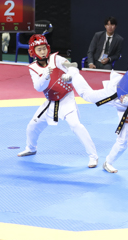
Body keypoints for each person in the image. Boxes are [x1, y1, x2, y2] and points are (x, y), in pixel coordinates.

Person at [18, 35, 112, 167]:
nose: (43, 52)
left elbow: (72, 66)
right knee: (32, 126)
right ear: (33, 52)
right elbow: (38, 87)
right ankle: (31, 148)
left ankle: (93, 156)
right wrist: (45, 76)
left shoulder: (56, 58)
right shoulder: (33, 68)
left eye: (44, 48)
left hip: (66, 98)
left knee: (76, 125)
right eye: (39, 49)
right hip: (50, 102)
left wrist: (70, 73)